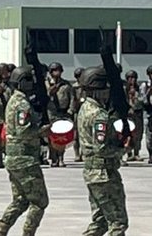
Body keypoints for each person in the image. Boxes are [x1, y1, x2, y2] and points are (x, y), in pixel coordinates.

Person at [0, 65, 50, 235]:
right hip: (24, 158)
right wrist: (42, 131)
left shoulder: (15, 99)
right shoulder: (22, 104)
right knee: (40, 201)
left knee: (20, 201)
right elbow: (23, 130)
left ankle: (1, 231)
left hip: (15, 157)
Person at [75, 66, 127, 236]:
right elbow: (102, 148)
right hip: (104, 173)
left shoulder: (84, 109)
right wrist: (122, 149)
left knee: (100, 223)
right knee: (117, 223)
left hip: (92, 172)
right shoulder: (99, 115)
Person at [45, 63, 68, 167]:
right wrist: (52, 88)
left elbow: (71, 98)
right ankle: (54, 158)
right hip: (51, 113)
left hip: (62, 112)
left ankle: (61, 158)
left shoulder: (66, 84)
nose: (57, 72)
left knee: (62, 137)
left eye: (58, 70)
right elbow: (46, 95)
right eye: (54, 70)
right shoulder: (46, 83)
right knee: (52, 137)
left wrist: (70, 111)